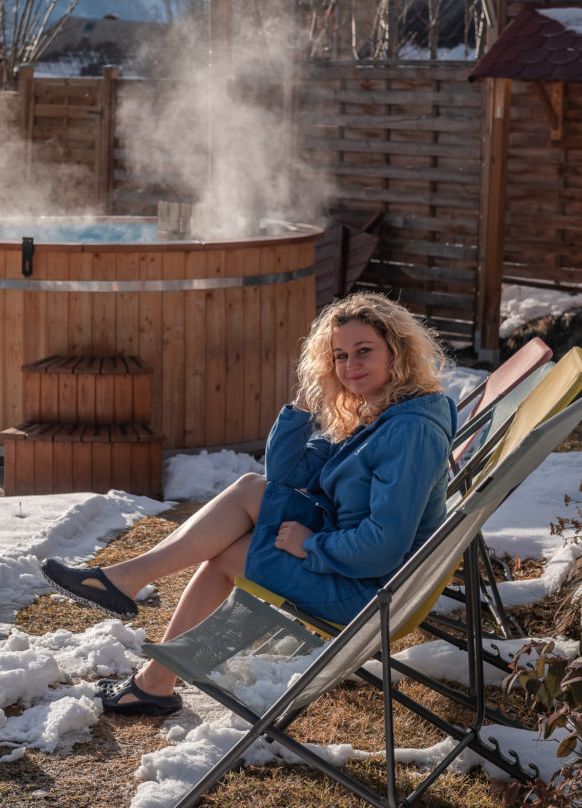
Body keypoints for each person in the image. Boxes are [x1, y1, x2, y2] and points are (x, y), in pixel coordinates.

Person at [41, 292, 457, 717]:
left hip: (370, 589)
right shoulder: (379, 413)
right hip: (353, 560)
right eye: (339, 356)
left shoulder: (409, 432)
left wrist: (310, 546)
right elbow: (285, 473)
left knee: (233, 549)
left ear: (397, 351)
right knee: (249, 492)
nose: (350, 366)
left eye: (364, 351)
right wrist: (304, 403)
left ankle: (144, 643)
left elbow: (385, 543)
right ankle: (150, 666)